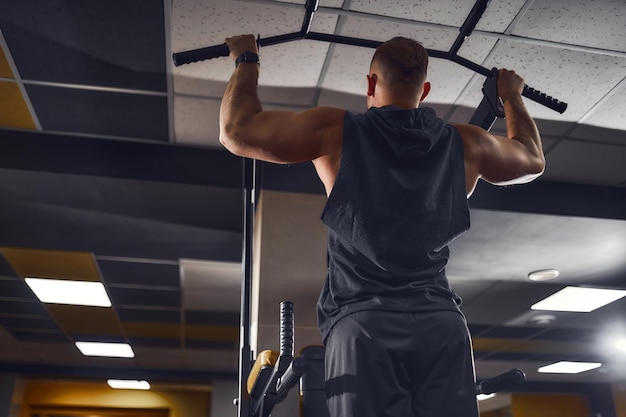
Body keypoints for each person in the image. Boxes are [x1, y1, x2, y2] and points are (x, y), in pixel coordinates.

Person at [220, 35, 544, 417]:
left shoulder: (335, 131)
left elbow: (236, 132)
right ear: (424, 90)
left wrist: (246, 59)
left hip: (365, 325)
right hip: (441, 327)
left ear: (371, 84)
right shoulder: (467, 144)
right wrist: (510, 95)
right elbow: (532, 159)